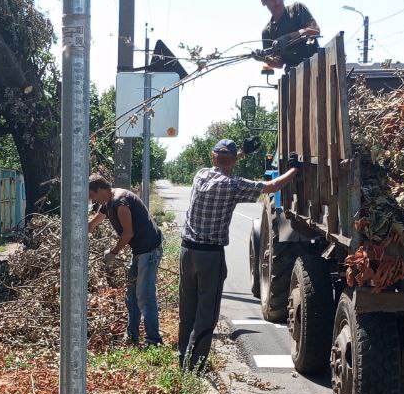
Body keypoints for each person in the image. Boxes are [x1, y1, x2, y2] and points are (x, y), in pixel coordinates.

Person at [179, 140, 299, 372]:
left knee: (187, 311)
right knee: (207, 314)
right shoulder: (233, 185)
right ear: (232, 161)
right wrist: (295, 170)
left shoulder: (200, 175)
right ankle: (195, 367)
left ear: (213, 157)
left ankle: (182, 360)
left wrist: (241, 152)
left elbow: (222, 160)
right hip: (210, 258)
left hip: (187, 253)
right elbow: (271, 186)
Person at [87, 176, 163, 346]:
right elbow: (93, 223)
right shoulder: (107, 203)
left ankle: (154, 340)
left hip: (149, 251)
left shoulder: (120, 202)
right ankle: (132, 336)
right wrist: (81, 230)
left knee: (144, 294)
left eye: (92, 195)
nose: (92, 200)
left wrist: (113, 253)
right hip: (139, 252)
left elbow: (128, 233)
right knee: (131, 296)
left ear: (100, 190)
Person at [260, 0, 320, 70]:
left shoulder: (297, 9)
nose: (277, 2)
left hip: (315, 64)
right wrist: (263, 58)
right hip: (293, 73)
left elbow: (315, 31)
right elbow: (279, 64)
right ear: (263, 2)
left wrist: (287, 38)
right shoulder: (267, 32)